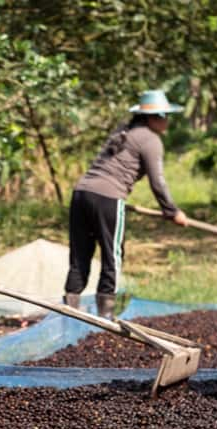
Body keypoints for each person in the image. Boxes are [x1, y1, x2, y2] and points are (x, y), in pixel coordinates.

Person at [63, 90, 188, 318]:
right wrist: (172, 211)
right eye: (164, 116)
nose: (167, 121)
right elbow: (157, 182)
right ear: (153, 118)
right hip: (109, 197)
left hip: (81, 193)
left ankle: (70, 310)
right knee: (113, 255)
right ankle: (106, 316)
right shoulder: (151, 140)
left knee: (79, 254)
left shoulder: (124, 129)